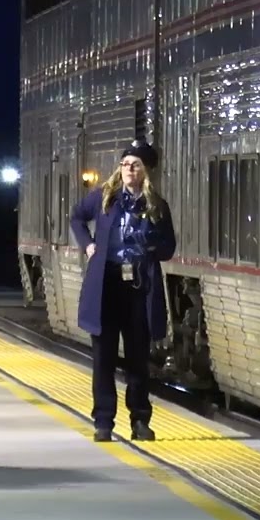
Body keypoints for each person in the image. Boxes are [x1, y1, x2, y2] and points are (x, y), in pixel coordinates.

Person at [70, 140, 176, 442]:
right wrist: (88, 245)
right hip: (106, 286)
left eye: (135, 165)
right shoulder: (104, 197)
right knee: (103, 358)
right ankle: (103, 422)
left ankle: (140, 420)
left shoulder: (156, 205)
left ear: (146, 171)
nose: (128, 169)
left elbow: (168, 247)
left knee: (137, 359)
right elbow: (76, 217)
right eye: (125, 164)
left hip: (138, 287)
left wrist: (150, 245)